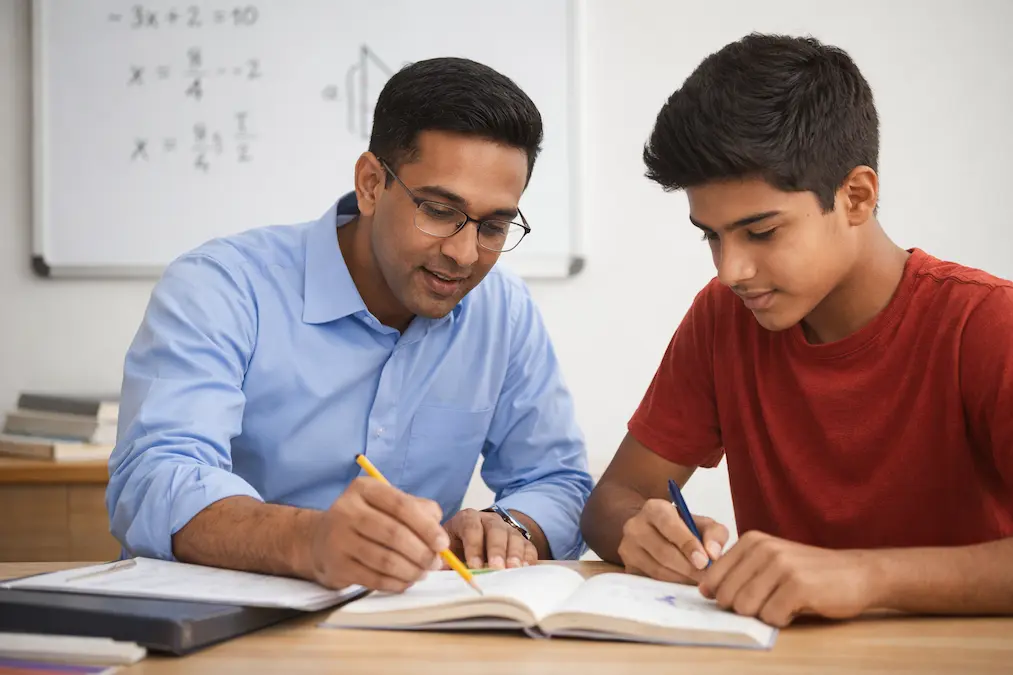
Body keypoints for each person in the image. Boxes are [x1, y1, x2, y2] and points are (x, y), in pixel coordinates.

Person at [107, 56, 592, 593]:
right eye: (437, 211)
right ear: (370, 184)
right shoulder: (222, 286)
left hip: (410, 621)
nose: (464, 253)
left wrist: (510, 527)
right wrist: (310, 542)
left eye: (494, 226)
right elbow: (153, 480)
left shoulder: (503, 310)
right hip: (221, 618)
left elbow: (559, 482)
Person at [581, 33, 1013, 627]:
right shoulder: (723, 318)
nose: (731, 270)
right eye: (711, 236)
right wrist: (640, 529)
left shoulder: (987, 324)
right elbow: (611, 500)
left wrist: (863, 577)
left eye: (761, 232)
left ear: (856, 197)